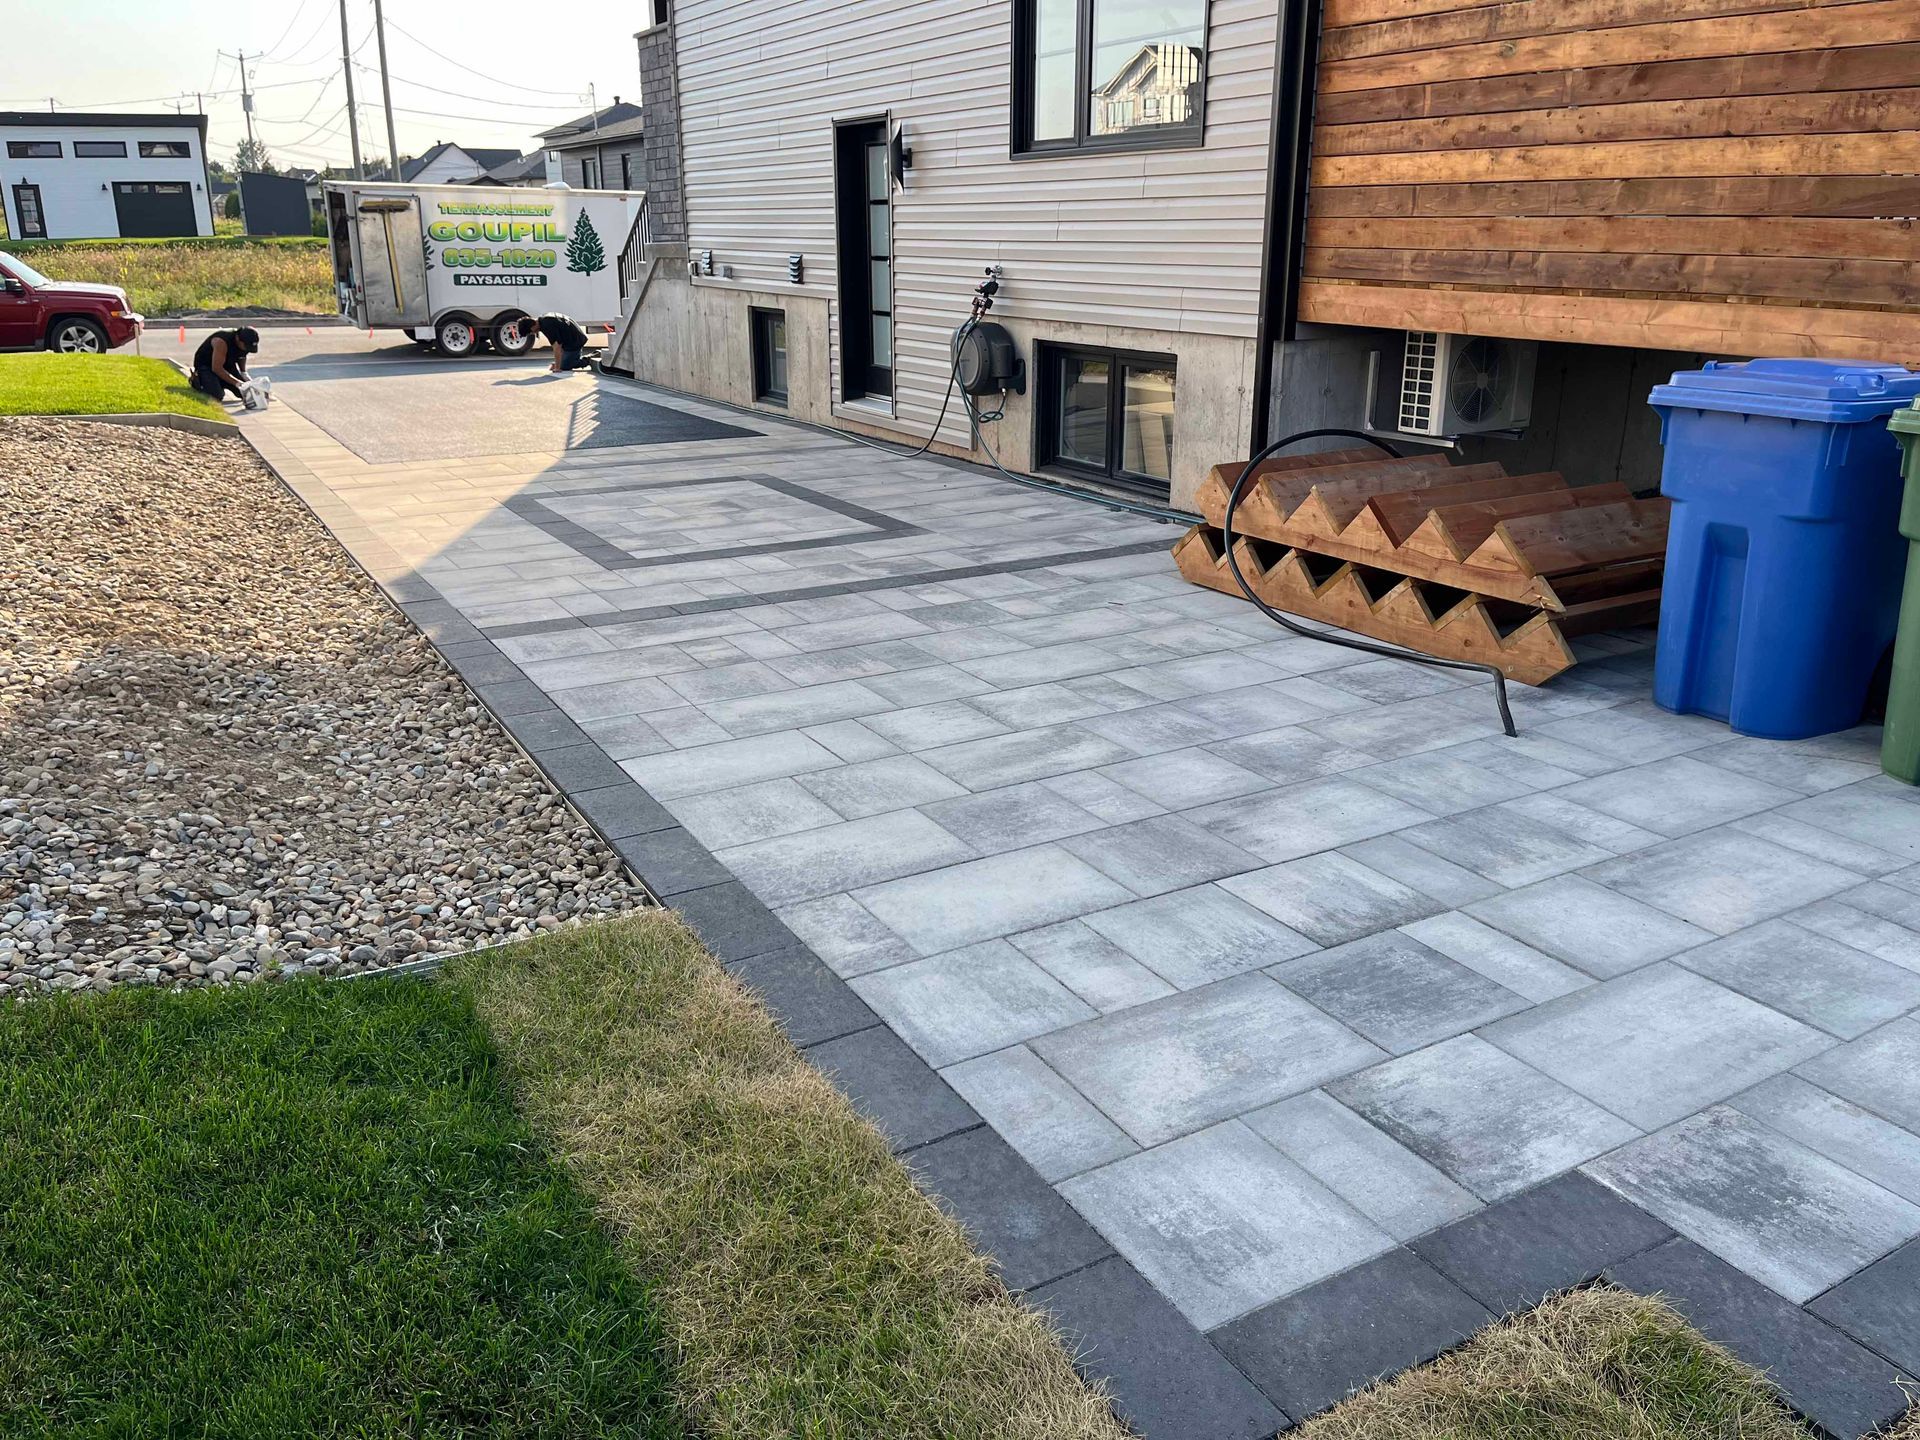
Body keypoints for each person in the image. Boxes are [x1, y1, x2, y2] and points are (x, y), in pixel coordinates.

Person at [190, 326, 263, 404]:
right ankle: (197, 381)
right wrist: (238, 383)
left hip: (227, 365)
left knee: (247, 392)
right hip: (207, 367)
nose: (247, 349)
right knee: (217, 395)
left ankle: (220, 383)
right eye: (246, 346)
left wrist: (243, 373)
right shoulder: (221, 341)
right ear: (237, 339)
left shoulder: (244, 343)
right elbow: (217, 368)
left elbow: (242, 356)